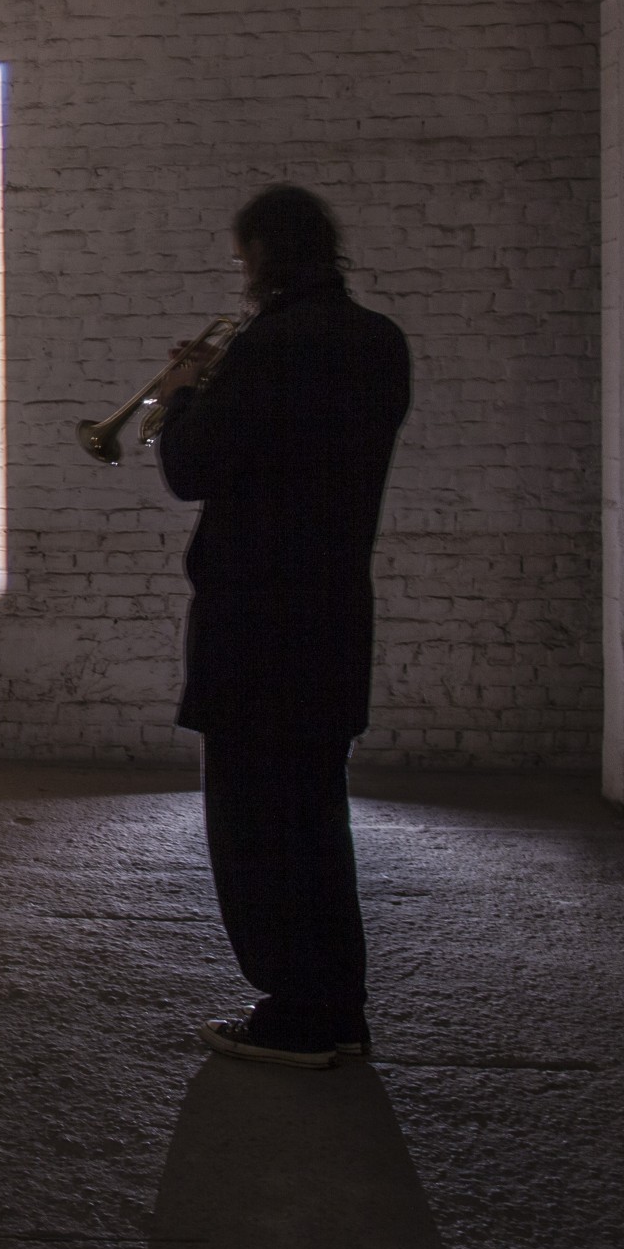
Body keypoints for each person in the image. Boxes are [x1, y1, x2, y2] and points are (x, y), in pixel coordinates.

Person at [153, 184, 410, 1069]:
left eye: (243, 258)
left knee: (254, 826)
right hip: (335, 615)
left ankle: (295, 1011)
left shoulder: (269, 348)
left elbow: (190, 468)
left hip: (253, 622)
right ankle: (337, 1006)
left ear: (263, 254)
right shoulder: (380, 343)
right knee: (315, 820)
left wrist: (181, 394)